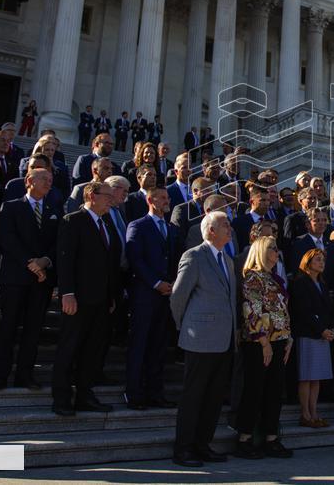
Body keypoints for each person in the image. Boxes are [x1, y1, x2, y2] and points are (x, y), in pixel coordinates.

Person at [170, 211, 237, 468]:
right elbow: (178, 297)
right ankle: (184, 449)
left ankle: (202, 445)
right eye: (225, 225)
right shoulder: (194, 256)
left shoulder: (227, 260)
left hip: (224, 340)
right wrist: (185, 327)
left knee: (213, 397)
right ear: (210, 230)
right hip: (199, 339)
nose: (230, 228)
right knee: (194, 396)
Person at [51, 181, 122, 416]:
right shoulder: (73, 220)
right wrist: (67, 293)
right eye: (107, 196)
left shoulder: (108, 225)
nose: (111, 200)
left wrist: (111, 295)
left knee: (92, 350)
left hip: (101, 300)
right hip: (78, 299)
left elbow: (109, 264)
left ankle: (84, 395)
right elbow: (65, 260)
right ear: (91, 195)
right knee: (69, 348)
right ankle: (61, 398)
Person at [0, 168, 59, 390]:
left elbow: (58, 242)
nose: (49, 183)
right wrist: (30, 263)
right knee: (8, 327)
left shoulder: (54, 209)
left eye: (51, 180)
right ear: (29, 180)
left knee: (33, 330)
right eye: (44, 179)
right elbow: (7, 239)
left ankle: (25, 375)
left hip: (41, 281)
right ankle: (0, 376)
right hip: (15, 277)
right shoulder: (12, 206)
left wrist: (45, 261)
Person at [235, 236, 294, 459]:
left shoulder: (275, 278)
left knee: (274, 391)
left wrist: (288, 339)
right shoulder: (253, 277)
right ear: (260, 251)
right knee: (254, 390)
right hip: (258, 344)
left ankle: (271, 438)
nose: (276, 252)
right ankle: (244, 439)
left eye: (276, 248)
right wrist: (264, 341)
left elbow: (282, 311)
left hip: (279, 341)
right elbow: (252, 311)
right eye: (271, 248)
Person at [124, 186, 181, 409]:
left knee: (158, 346)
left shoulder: (171, 228)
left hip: (166, 296)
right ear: (150, 200)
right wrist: (156, 283)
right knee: (140, 344)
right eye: (163, 198)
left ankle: (155, 392)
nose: (167, 201)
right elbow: (135, 259)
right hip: (145, 295)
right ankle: (134, 393)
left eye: (168, 198)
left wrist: (172, 284)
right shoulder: (138, 225)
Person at [289, 248, 334, 429]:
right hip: (307, 334)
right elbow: (304, 311)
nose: (321, 263)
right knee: (306, 377)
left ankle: (314, 413)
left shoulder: (322, 283)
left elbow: (328, 309)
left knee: (316, 377)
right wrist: (321, 330)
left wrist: (330, 328)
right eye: (317, 260)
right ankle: (305, 414)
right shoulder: (300, 282)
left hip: (322, 335)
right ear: (307, 262)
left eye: (323, 260)